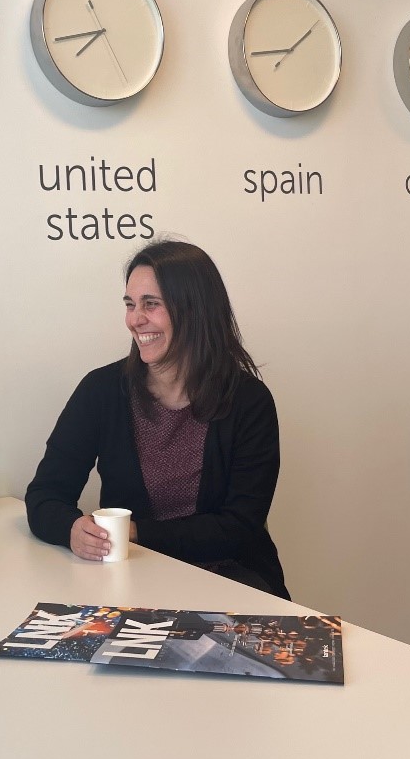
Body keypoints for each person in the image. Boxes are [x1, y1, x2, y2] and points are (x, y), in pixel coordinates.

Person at [25, 240, 289, 599]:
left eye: (151, 304)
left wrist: (135, 533)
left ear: (195, 310)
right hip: (133, 584)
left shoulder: (248, 401)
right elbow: (45, 495)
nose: (135, 319)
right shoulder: (101, 391)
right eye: (130, 304)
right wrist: (70, 528)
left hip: (231, 582)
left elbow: (240, 527)